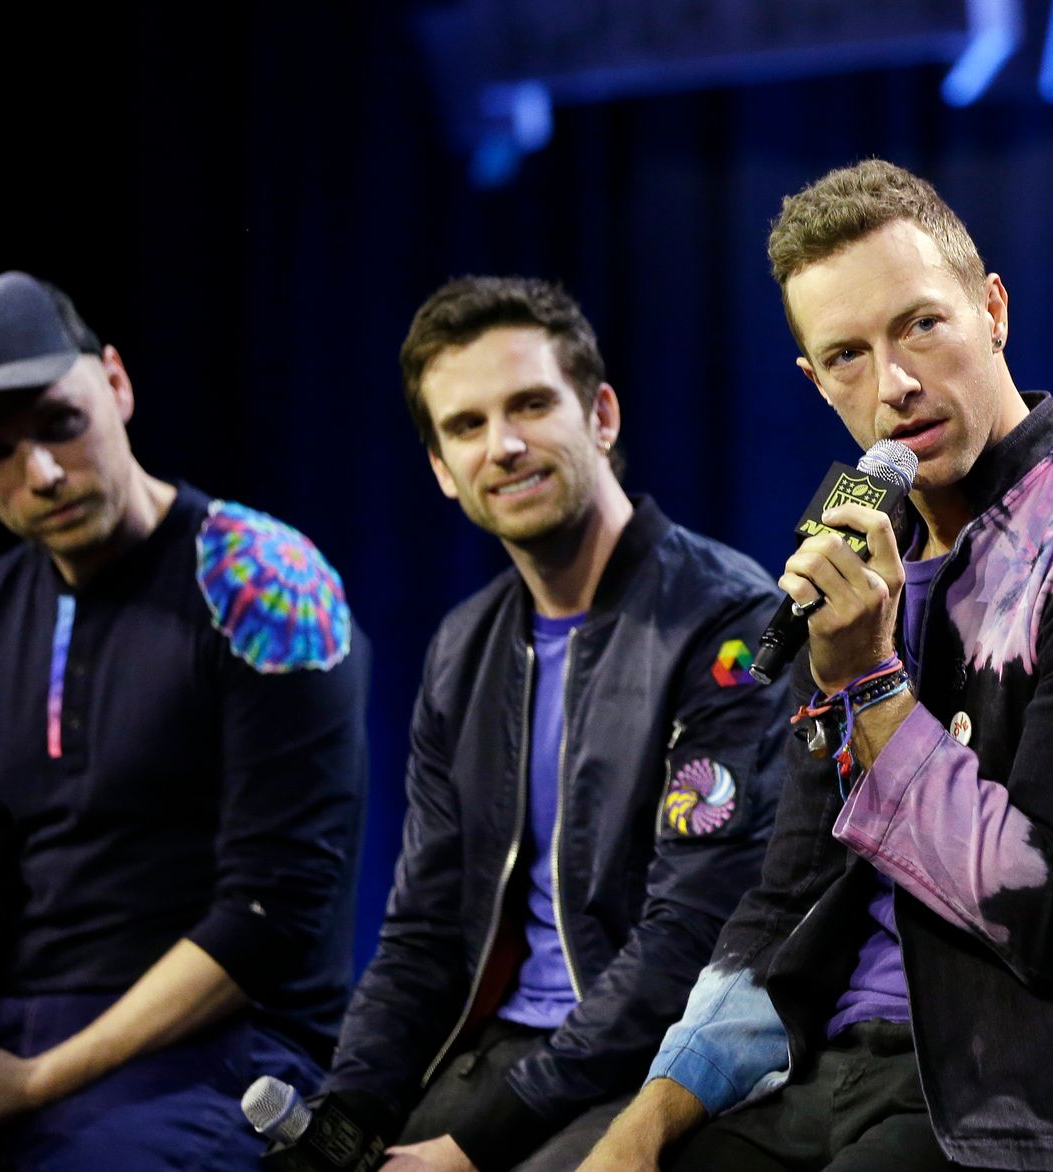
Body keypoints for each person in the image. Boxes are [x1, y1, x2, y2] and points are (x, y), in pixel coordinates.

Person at [583, 160, 1053, 1171]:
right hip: (833, 1070)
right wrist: (648, 1116)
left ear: (992, 309)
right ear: (815, 382)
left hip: (1042, 1100)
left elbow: (1045, 916)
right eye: (848, 355)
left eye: (920, 326)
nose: (894, 384)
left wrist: (868, 685)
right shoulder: (870, 566)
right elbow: (791, 896)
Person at [0, 271, 371, 1169]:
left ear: (115, 384)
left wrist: (36, 1084)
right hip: (23, 1035)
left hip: (222, 1050)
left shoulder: (262, 579)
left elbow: (272, 914)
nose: (38, 473)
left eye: (58, 424)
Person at [320, 276, 789, 1172]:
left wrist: (471, 1144)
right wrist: (349, 1110)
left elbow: (692, 938)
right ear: (440, 469)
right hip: (497, 1052)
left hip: (659, 1068)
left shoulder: (728, 623)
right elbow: (421, 931)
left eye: (531, 404)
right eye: (466, 426)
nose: (503, 445)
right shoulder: (463, 649)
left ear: (601, 415)